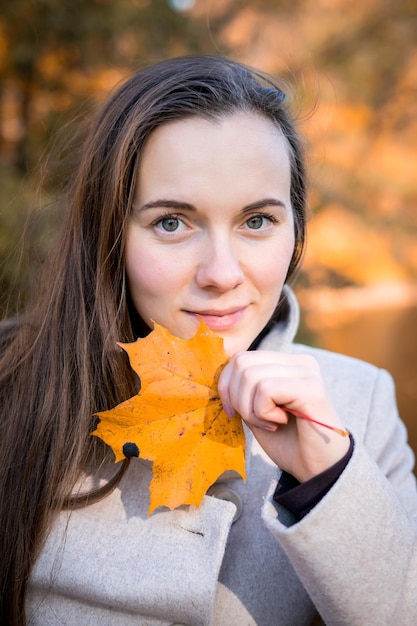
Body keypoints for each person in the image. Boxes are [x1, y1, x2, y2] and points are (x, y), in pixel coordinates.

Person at [0, 55, 416, 626]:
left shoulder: (360, 402)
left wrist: (327, 478)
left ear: (295, 229)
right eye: (172, 222)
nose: (221, 273)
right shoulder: (13, 385)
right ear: (110, 235)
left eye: (257, 221)